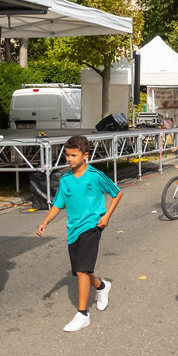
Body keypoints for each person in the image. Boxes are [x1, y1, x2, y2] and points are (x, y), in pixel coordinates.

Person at [37, 135, 122, 332]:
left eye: (73, 155)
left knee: (82, 270)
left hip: (92, 226)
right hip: (73, 230)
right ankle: (102, 287)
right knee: (81, 270)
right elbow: (58, 204)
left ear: (85, 155)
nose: (69, 159)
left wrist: (107, 216)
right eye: (67, 155)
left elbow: (117, 193)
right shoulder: (65, 179)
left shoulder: (95, 175)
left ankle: (83, 314)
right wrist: (45, 222)